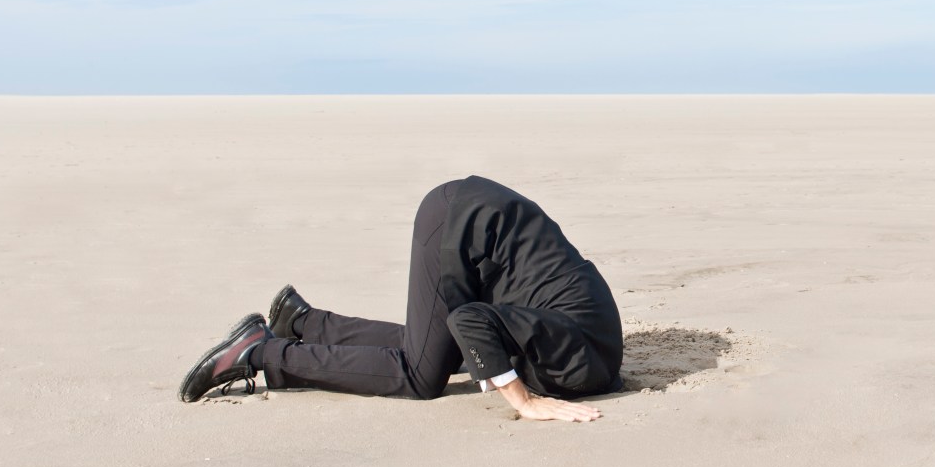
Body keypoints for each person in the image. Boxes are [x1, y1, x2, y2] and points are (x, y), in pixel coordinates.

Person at [178, 176, 623, 423]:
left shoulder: (587, 351)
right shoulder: (574, 357)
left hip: (478, 219)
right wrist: (525, 400)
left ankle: (302, 321)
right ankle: (260, 352)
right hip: (459, 226)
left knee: (444, 353)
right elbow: (470, 320)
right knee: (421, 376)